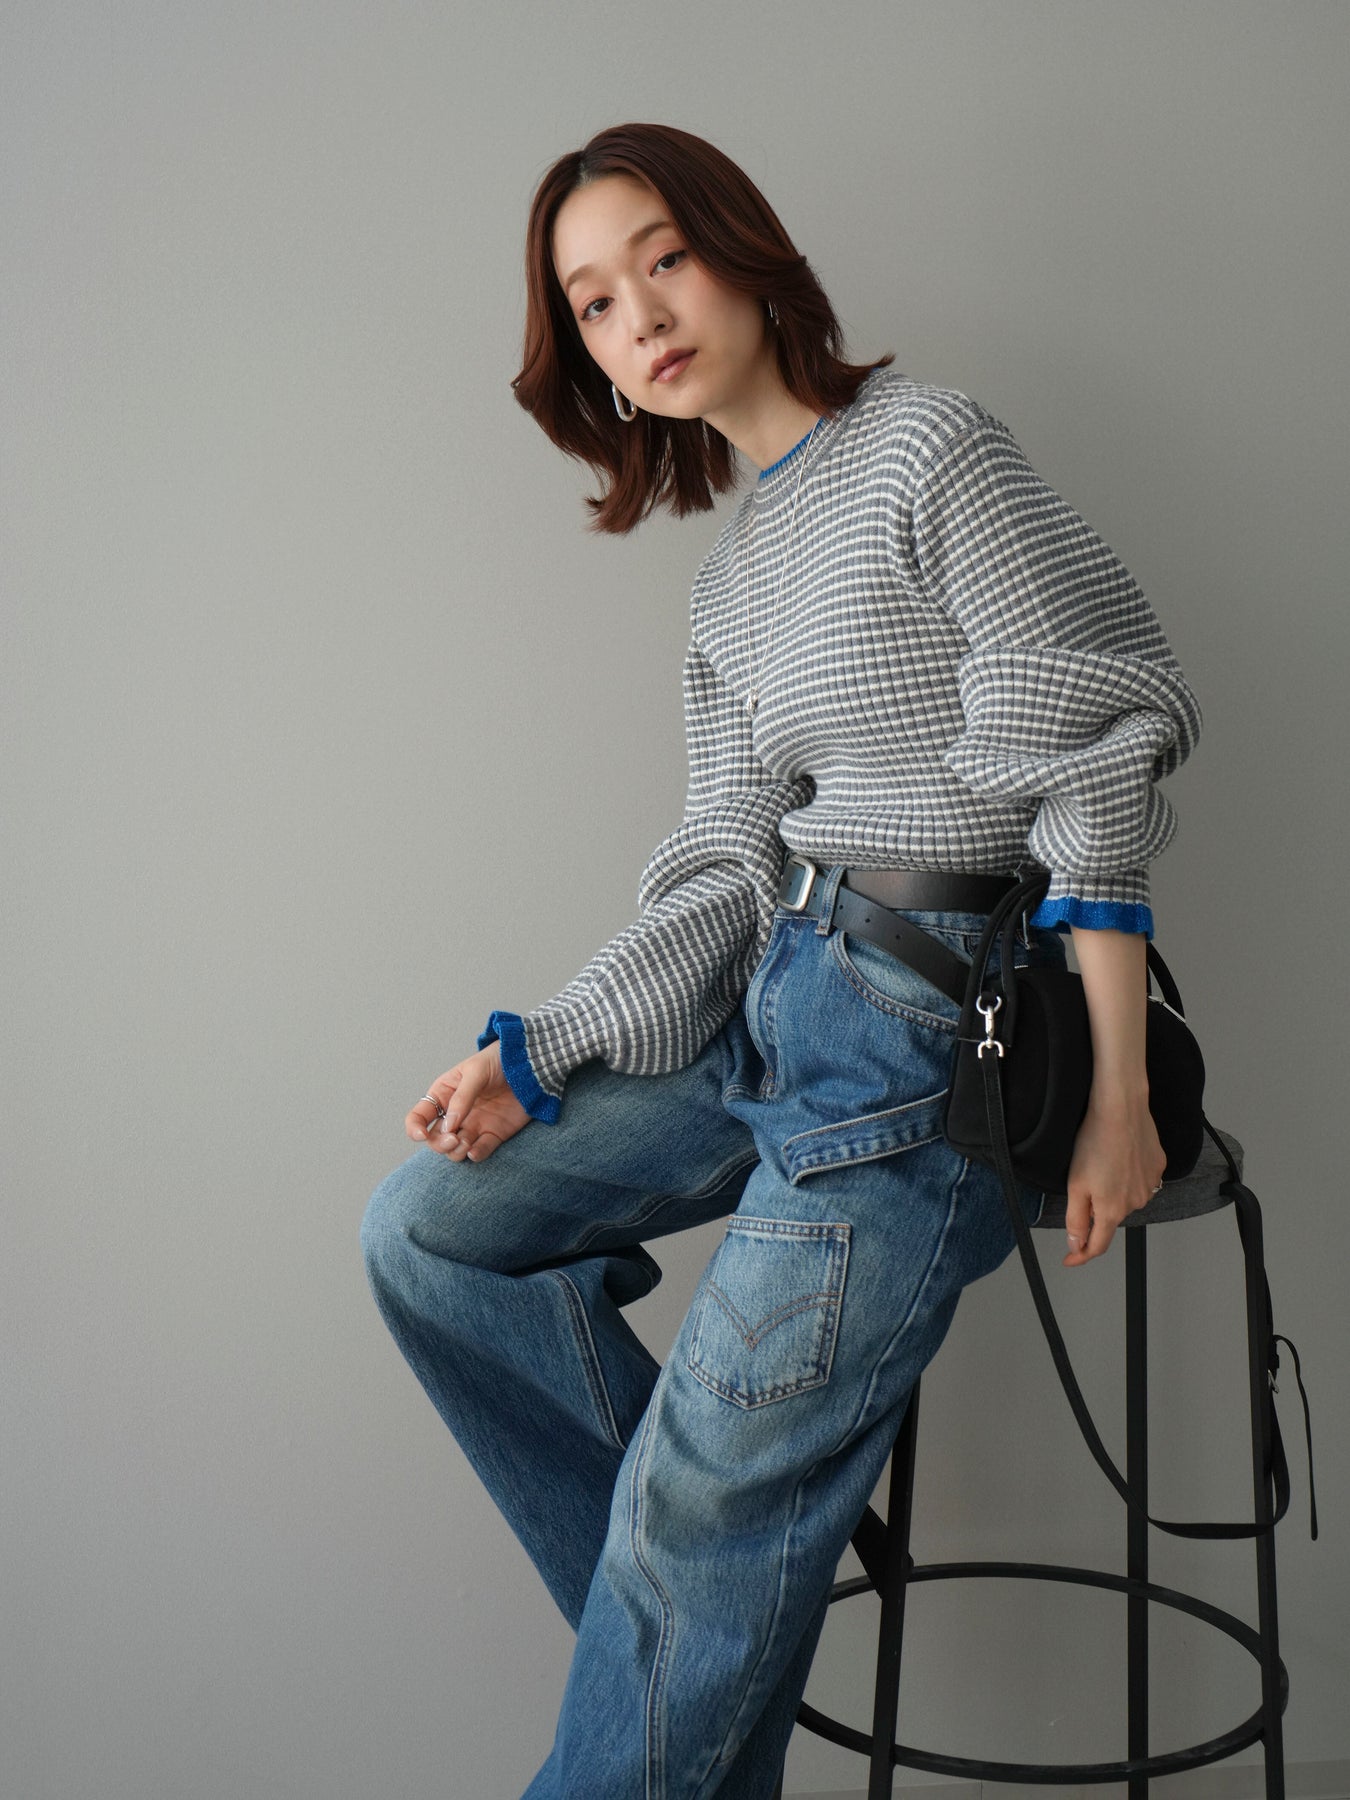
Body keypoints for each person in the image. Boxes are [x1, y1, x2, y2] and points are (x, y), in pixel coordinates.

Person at [360, 122, 1202, 1800]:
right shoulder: (734, 581)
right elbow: (721, 870)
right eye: (594, 304)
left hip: (935, 1036)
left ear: (742, 248)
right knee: (429, 1237)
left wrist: (1118, 1098)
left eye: (661, 260)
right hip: (782, 1001)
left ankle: (706, 1561)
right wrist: (544, 1048)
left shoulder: (930, 448)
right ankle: (707, 1573)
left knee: (699, 1520)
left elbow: (1095, 751)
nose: (640, 319)